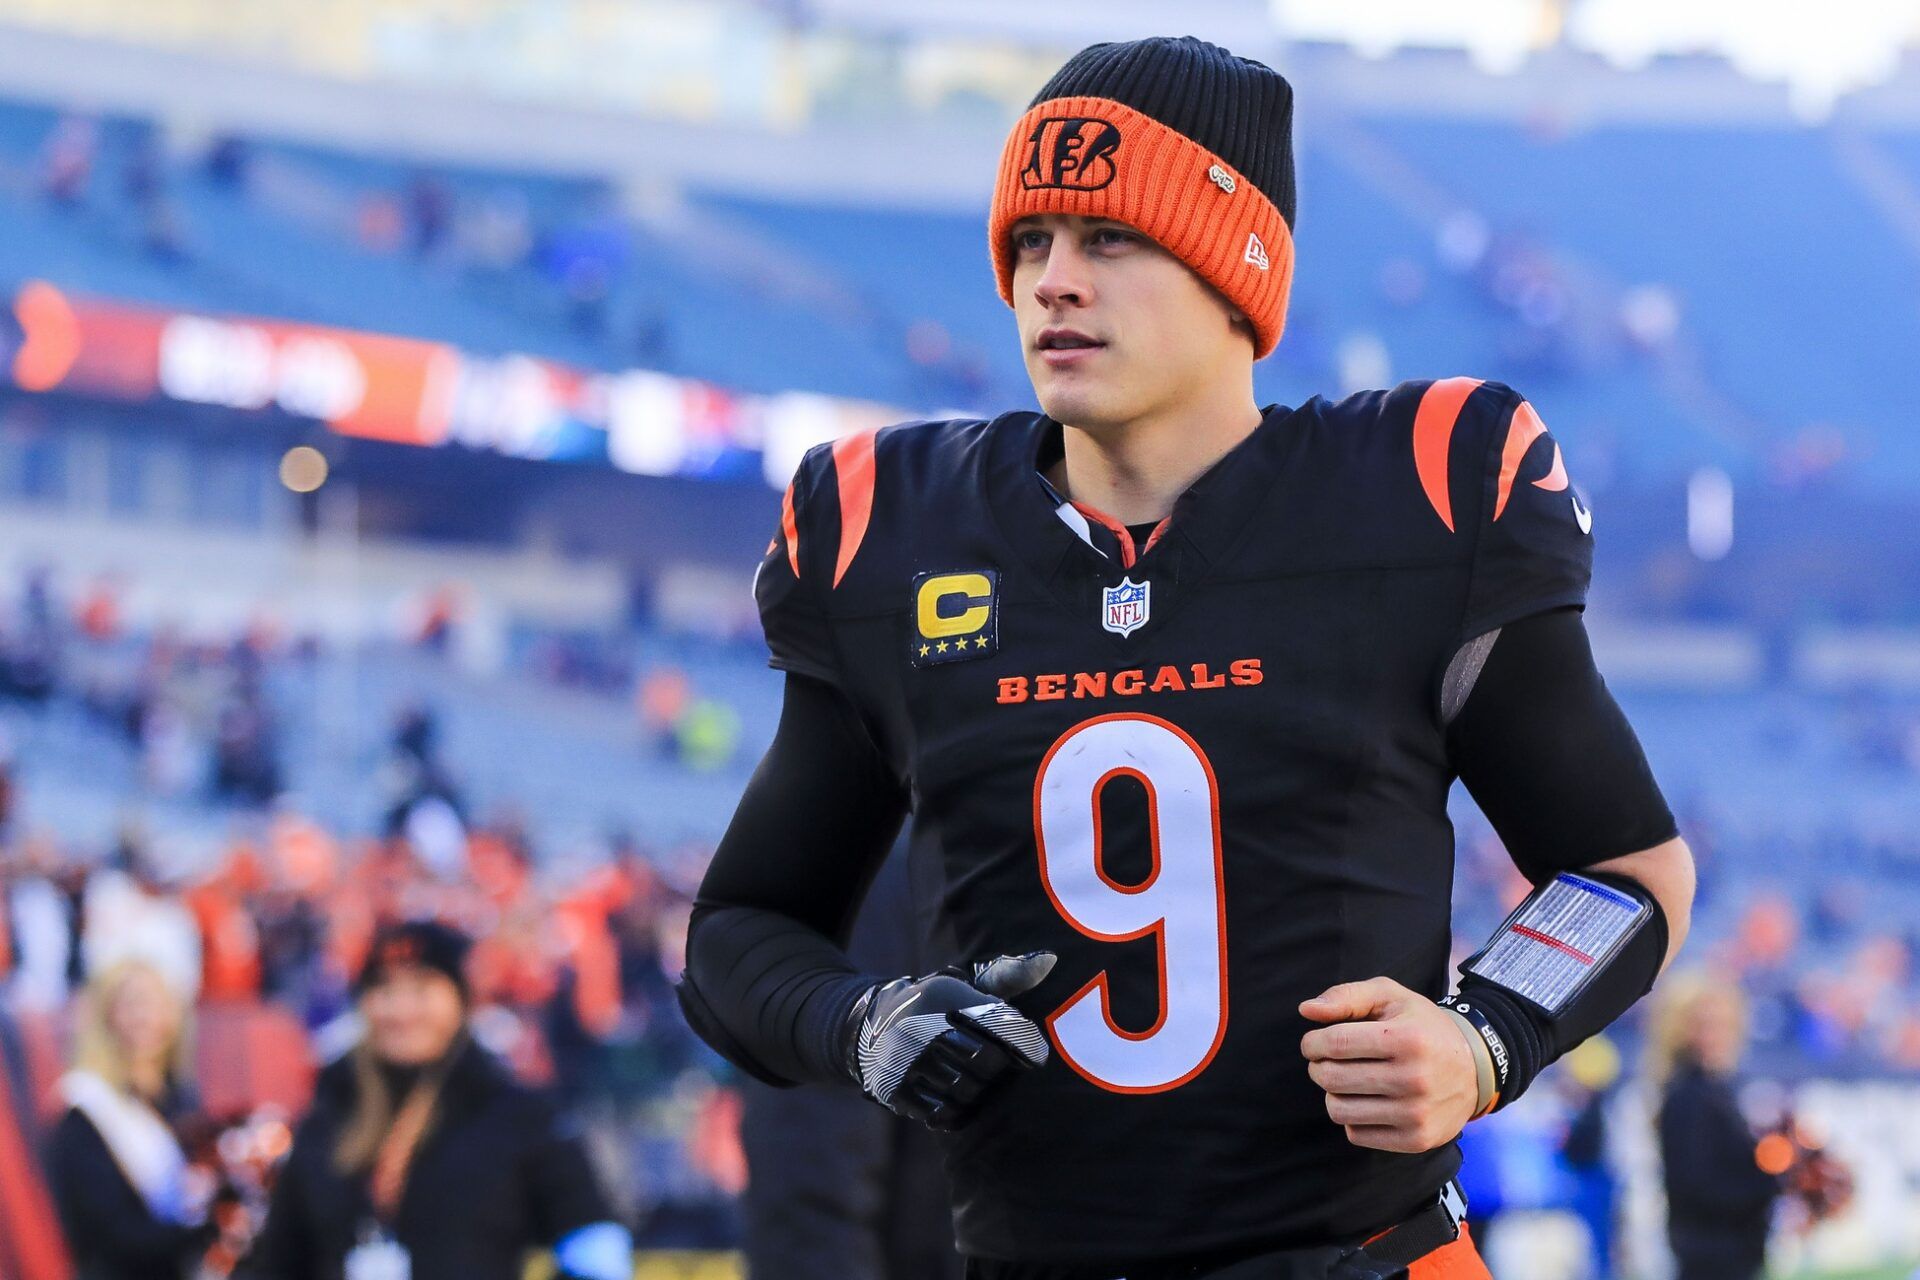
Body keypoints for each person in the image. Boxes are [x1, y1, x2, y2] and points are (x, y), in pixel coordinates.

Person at [678, 34, 1696, 1280]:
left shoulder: (1417, 492)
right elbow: (738, 929)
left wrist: (1486, 1038)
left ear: (1234, 268)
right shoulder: (890, 523)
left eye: (1110, 238)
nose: (1053, 281)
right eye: (1032, 243)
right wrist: (858, 1020)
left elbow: (1624, 871)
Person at [241, 920, 631, 1280]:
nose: (401, 1010)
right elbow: (278, 1263)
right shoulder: (326, 1121)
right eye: (383, 989)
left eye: (422, 989)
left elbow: (597, 1252)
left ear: (460, 1000)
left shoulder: (517, 1117)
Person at [44, 958, 218, 1280]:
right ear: (105, 1017)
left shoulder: (178, 1100)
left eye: (156, 1004)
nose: (144, 1018)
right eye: (132, 1004)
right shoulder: (85, 1110)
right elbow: (116, 1236)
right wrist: (210, 1231)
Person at [1651, 974, 1779, 1280]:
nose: (1715, 1034)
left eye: (1723, 1023)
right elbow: (1694, 1186)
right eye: (1703, 1025)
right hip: (1710, 1256)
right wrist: (1769, 1184)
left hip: (1730, 1251)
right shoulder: (1687, 1094)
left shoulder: (1717, 1089)